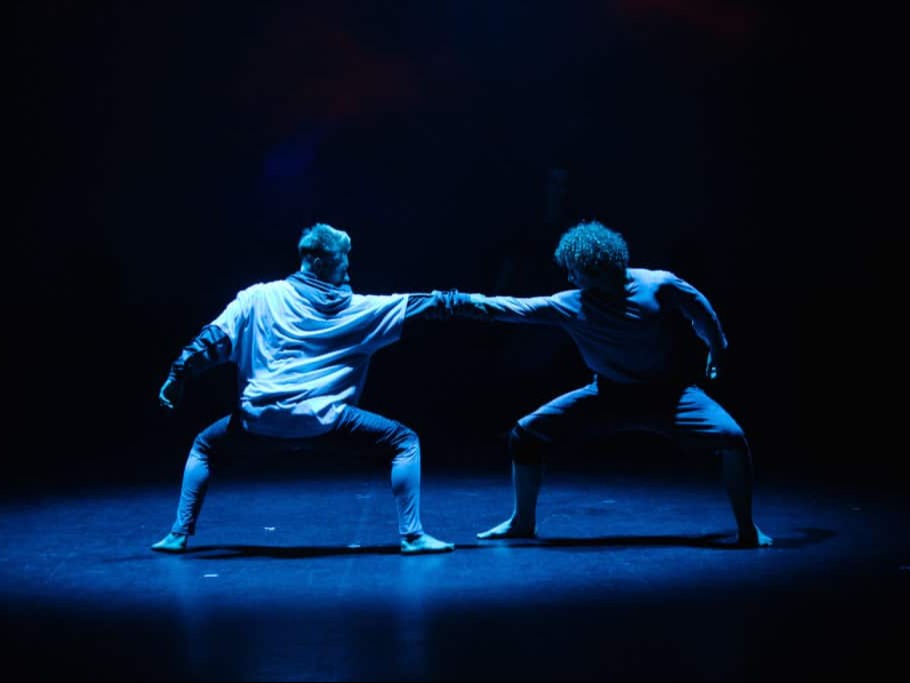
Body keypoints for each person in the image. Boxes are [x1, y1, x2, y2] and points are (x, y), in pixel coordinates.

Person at [151, 222, 459, 555]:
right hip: (322, 421)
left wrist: (178, 375)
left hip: (258, 419)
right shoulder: (355, 308)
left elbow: (213, 340)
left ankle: (177, 535)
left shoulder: (257, 297)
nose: (348, 271)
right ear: (319, 263)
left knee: (203, 447)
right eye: (342, 264)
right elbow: (427, 305)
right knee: (404, 441)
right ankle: (412, 536)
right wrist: (480, 304)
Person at [460, 220, 772, 547]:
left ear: (596, 270)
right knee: (525, 435)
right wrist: (454, 302)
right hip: (608, 395)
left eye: (574, 272)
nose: (571, 279)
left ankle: (748, 530)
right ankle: (522, 522)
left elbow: (700, 310)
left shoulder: (657, 284)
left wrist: (717, 348)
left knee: (733, 439)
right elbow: (510, 307)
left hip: (669, 397)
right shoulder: (571, 303)